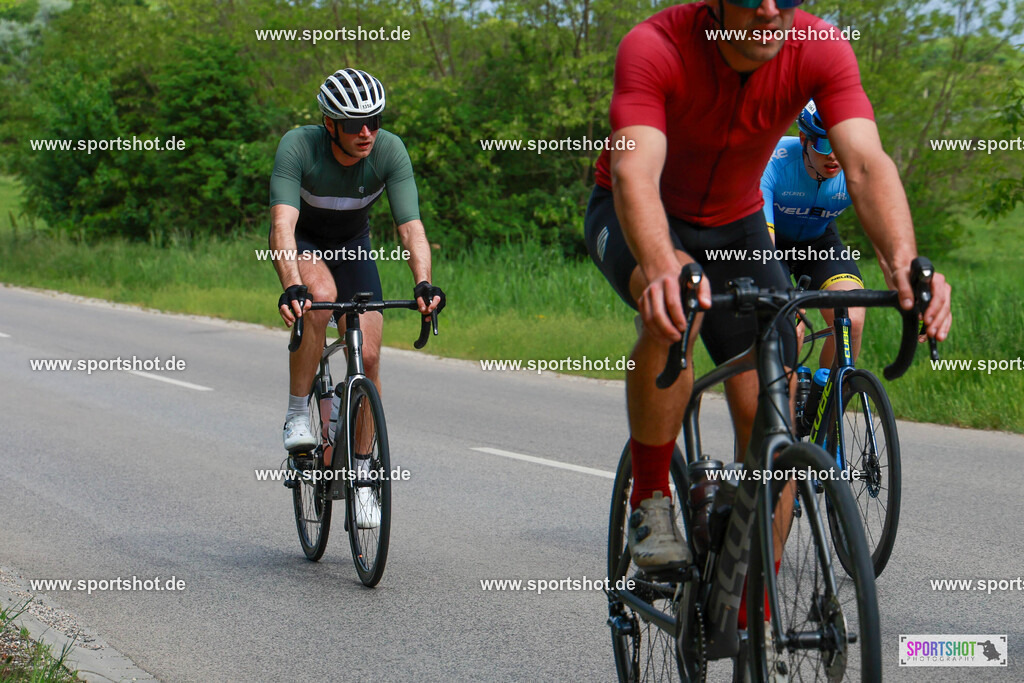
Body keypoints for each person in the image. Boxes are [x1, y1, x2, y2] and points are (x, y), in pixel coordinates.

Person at [583, 0, 951, 574]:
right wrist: (661, 266)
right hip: (640, 210)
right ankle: (650, 500)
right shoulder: (655, 46)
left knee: (773, 414)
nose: (771, 9)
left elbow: (866, 165)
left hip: (737, 220)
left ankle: (756, 620)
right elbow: (636, 172)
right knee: (681, 302)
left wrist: (904, 265)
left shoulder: (821, 46)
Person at [269, 68, 442, 526]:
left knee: (370, 348)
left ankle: (363, 475)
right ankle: (296, 416)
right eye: (352, 124)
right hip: (304, 244)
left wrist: (423, 282)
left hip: (351, 247)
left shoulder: (388, 150)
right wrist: (292, 284)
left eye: (374, 121)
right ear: (330, 125)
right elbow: (282, 226)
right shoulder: (298, 146)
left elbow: (410, 227)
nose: (365, 132)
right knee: (320, 297)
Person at [761, 100, 864, 369]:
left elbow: (889, 243)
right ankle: (781, 403)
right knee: (788, 323)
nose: (834, 155)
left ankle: (824, 405)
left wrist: (911, 288)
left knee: (852, 320)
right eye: (824, 144)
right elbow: (763, 244)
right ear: (804, 139)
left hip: (820, 243)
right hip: (771, 245)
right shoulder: (772, 159)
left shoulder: (860, 167)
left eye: (842, 143)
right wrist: (786, 301)